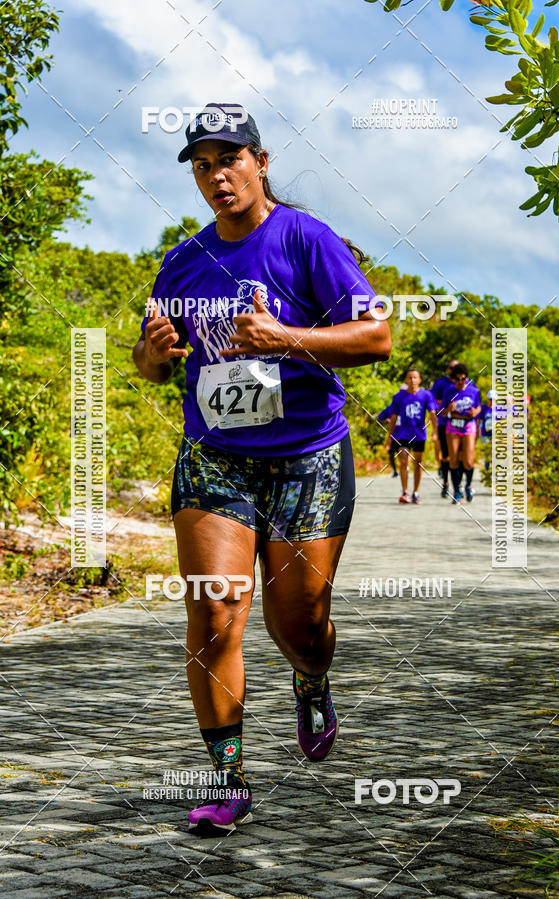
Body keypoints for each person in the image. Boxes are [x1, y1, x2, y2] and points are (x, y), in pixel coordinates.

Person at [132, 103, 391, 836]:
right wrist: (153, 357)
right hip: (216, 459)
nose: (217, 176)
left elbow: (376, 336)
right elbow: (150, 362)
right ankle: (228, 779)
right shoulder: (182, 260)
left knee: (298, 624)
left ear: (261, 161)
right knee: (215, 612)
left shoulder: (305, 239)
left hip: (307, 458)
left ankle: (312, 680)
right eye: (202, 165)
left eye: (229, 160)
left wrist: (286, 336)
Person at [384, 369, 437, 504]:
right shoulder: (398, 397)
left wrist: (435, 431)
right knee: (403, 461)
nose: (412, 380)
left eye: (415, 378)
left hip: (419, 435)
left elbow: (432, 413)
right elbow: (394, 417)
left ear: (419, 380)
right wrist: (389, 437)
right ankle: (405, 492)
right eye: (409, 378)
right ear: (406, 380)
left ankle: (416, 492)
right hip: (403, 434)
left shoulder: (426, 395)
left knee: (418, 464)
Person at [440, 363, 481, 504]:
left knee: (469, 461)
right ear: (453, 379)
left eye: (463, 379)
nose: (460, 382)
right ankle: (457, 490)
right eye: (457, 379)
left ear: (466, 378)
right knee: (454, 459)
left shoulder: (474, 391)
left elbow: (479, 407)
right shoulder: (448, 391)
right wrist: (449, 409)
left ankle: (468, 485)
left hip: (468, 426)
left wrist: (475, 412)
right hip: (453, 427)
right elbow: (442, 413)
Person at [431, 359, 459, 498]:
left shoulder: (464, 383)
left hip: (462, 425)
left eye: (457, 368)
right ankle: (446, 483)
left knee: (459, 456)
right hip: (444, 423)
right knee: (446, 455)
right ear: (447, 369)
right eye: (451, 367)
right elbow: (434, 403)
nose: (454, 370)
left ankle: (459, 486)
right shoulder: (440, 384)